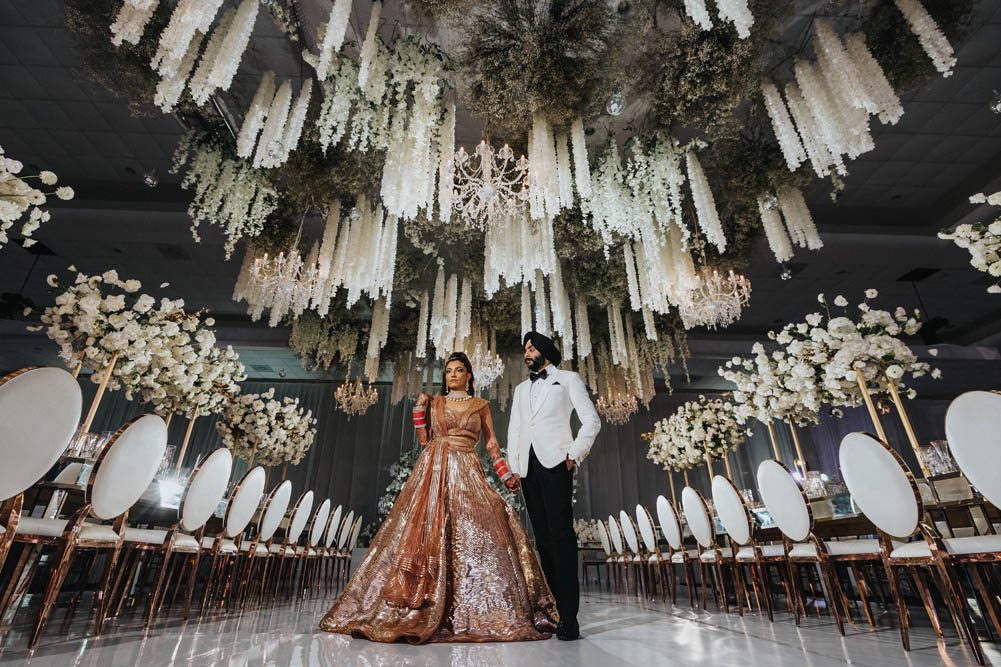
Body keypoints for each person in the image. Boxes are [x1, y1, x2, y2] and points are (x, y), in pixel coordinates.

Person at [320, 351, 557, 644]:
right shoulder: (436, 402)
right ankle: (420, 604)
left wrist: (506, 474)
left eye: (459, 370)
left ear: (469, 375)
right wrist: (419, 411)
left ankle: (478, 607)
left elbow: (492, 445)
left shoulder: (481, 405)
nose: (453, 375)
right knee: (424, 529)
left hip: (468, 467)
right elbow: (423, 439)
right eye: (448, 371)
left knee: (485, 524)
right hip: (435, 468)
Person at [506, 331, 601, 641]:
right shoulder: (521, 389)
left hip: (557, 463)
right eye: (525, 349)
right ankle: (555, 611)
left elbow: (591, 420)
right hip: (529, 469)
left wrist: (574, 453)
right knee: (543, 540)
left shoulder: (568, 379)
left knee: (561, 537)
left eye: (532, 348)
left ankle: (570, 618)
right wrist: (513, 468)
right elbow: (516, 429)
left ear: (545, 350)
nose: (527, 353)